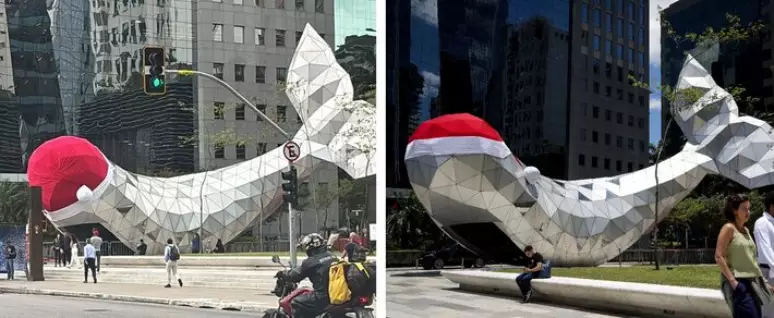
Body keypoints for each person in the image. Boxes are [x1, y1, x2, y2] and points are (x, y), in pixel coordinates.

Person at [717, 194, 773, 317]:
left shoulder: (746, 230)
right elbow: (718, 256)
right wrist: (734, 283)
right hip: (739, 282)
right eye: (744, 208)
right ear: (734, 210)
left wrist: (763, 282)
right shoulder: (728, 228)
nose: (748, 212)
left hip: (752, 283)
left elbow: (751, 260)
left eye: (749, 208)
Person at [287, 233, 337, 318]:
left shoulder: (310, 262)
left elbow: (295, 276)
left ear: (308, 248)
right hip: (336, 294)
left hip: (322, 296)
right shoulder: (332, 256)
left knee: (296, 301)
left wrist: (287, 274)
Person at [755, 191, 774, 318]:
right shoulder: (762, 223)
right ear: (772, 207)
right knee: (768, 312)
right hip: (767, 272)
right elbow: (766, 250)